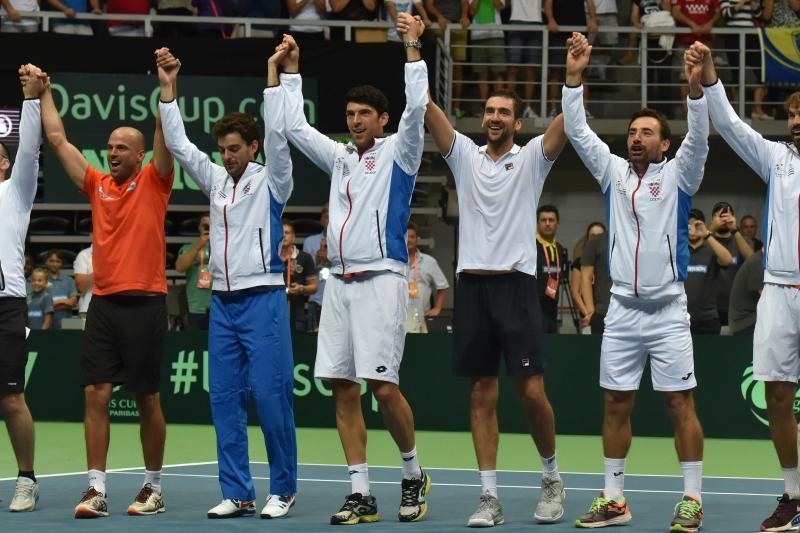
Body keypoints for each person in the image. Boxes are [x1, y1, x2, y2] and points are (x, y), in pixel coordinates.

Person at [280, 15, 432, 524]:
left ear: (383, 119)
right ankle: (361, 492)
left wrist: (412, 45)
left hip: (382, 280)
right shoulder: (341, 157)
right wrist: (292, 72)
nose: (355, 120)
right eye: (349, 113)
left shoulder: (400, 152)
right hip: (339, 287)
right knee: (342, 387)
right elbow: (296, 128)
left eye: (365, 113)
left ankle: (412, 474)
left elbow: (417, 107)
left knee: (383, 388)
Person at [563, 33, 709, 531]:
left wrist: (695, 90)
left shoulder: (681, 174)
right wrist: (574, 77)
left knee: (679, 403)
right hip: (622, 311)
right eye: (631, 132)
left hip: (668, 312)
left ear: (664, 143)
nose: (636, 137)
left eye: (647, 132)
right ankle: (614, 499)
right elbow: (578, 130)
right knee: (615, 403)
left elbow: (700, 136)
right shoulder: (612, 173)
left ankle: (692, 499)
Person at [426, 35, 569, 524]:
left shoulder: (531, 159)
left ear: (517, 122)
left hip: (516, 287)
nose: (494, 117)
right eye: (489, 110)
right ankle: (489, 496)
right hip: (473, 287)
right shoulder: (464, 156)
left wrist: (573, 75)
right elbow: (426, 107)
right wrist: (412, 49)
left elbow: (568, 122)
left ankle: (550, 478)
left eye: (503, 112)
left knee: (531, 392)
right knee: (481, 393)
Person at [156, 45, 298, 519]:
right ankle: (238, 492)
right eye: (223, 150)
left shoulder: (274, 179)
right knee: (223, 401)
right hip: (222, 304)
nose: (227, 156)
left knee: (272, 399)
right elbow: (179, 145)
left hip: (264, 299)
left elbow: (279, 136)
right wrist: (168, 88)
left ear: (253, 148)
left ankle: (283, 488)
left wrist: (273, 76)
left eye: (235, 149)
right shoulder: (216, 180)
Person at [38, 52, 175, 517]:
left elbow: (163, 133)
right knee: (95, 393)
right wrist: (45, 93)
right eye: (110, 147)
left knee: (146, 396)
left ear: (139, 155)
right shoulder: (96, 185)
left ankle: (153, 487)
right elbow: (57, 139)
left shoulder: (156, 179)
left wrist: (167, 85)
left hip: (146, 303)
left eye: (121, 148)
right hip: (104, 305)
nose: (113, 153)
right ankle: (95, 488)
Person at [692, 42, 800, 532]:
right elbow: (731, 124)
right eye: (791, 115)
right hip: (778, 291)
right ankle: (793, 494)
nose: (795, 122)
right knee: (776, 394)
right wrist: (710, 73)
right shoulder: (776, 159)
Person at [0, 64, 44, 512]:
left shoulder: (14, 193)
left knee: (11, 399)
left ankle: (26, 479)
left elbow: (29, 149)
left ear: (3, 163)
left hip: (6, 306)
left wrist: (31, 100)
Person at [685, 208, 733, 335]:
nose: (692, 228)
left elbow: (728, 260)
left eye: (696, 225)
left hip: (707, 319)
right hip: (681, 317)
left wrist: (706, 234)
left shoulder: (712, 250)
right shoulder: (679, 251)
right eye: (689, 225)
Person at [708, 201, 754, 330]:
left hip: (736, 306)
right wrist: (711, 229)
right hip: (709, 308)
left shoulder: (742, 240)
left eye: (726, 216)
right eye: (719, 216)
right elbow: (695, 252)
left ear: (733, 217)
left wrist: (735, 230)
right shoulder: (706, 239)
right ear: (712, 219)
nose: (723, 220)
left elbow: (752, 261)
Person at [424, 0, 470, 117]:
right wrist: (440, 17)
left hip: (458, 25)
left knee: (457, 69)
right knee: (438, 67)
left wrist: (464, 16)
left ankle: (456, 107)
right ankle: (436, 107)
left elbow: (464, 2)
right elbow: (429, 4)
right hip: (439, 25)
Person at [405, 221, 449, 333]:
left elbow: (443, 287)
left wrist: (437, 308)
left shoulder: (429, 261)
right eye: (406, 237)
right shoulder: (395, 261)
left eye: (412, 237)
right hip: (399, 319)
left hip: (422, 318)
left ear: (417, 239)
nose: (409, 240)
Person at [506, 0, 546, 119]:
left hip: (536, 22)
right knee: (513, 68)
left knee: (531, 69)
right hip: (516, 21)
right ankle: (508, 107)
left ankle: (528, 108)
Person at [174, 214, 212, 331]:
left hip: (220, 307)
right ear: (199, 227)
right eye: (205, 225)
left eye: (211, 225)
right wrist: (198, 245)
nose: (208, 228)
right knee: (196, 340)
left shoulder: (224, 248)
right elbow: (180, 267)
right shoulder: (188, 248)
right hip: (196, 307)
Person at [535, 205, 569, 334]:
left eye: (551, 220)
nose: (547, 223)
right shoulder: (531, 246)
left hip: (552, 307)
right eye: (543, 220)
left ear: (557, 224)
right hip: (533, 308)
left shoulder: (559, 248)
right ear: (537, 224)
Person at [281, 220, 318, 332]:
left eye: (287, 233)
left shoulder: (305, 257)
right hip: (274, 313)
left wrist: (301, 288)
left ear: (293, 237)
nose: (283, 235)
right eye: (281, 232)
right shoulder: (271, 258)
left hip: (298, 314)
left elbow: (314, 287)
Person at [572, 221, 606, 333]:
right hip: (588, 315)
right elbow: (575, 293)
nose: (596, 239)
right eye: (592, 236)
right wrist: (589, 313)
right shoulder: (579, 262)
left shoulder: (610, 263)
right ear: (587, 238)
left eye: (600, 236)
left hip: (608, 313)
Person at [302, 204, 329, 332]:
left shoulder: (347, 241)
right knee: (313, 338)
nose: (330, 221)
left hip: (339, 298)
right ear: (321, 219)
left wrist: (331, 258)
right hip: (316, 299)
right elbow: (303, 270)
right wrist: (317, 260)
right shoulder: (310, 241)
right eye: (327, 217)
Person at [580, 228, 612, 335]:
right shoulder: (597, 241)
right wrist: (590, 311)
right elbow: (586, 277)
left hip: (634, 310)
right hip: (603, 311)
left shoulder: (638, 239)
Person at [728, 248, 764, 336]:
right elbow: (767, 301)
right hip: (744, 322)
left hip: (754, 317)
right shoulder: (757, 261)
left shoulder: (765, 260)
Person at [43, 249, 78, 330]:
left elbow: (73, 302)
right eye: (51, 261)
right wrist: (65, 302)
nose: (54, 264)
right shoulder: (40, 280)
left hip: (66, 326)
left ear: (61, 263)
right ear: (46, 262)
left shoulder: (69, 281)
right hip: (45, 325)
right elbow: (39, 304)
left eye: (58, 261)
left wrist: (53, 303)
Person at [72, 240, 94, 323]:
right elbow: (81, 286)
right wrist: (104, 267)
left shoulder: (120, 253)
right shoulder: (84, 255)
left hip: (116, 308)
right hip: (88, 310)